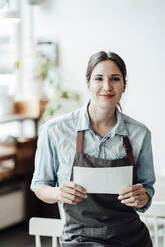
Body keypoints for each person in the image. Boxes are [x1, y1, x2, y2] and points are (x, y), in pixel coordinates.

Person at [31, 51, 156, 247]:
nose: (107, 86)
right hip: (78, 240)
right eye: (99, 79)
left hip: (131, 239)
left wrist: (142, 197)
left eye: (115, 79)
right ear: (88, 83)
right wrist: (58, 193)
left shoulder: (140, 134)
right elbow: (39, 185)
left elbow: (147, 188)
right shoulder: (54, 131)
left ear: (124, 85)